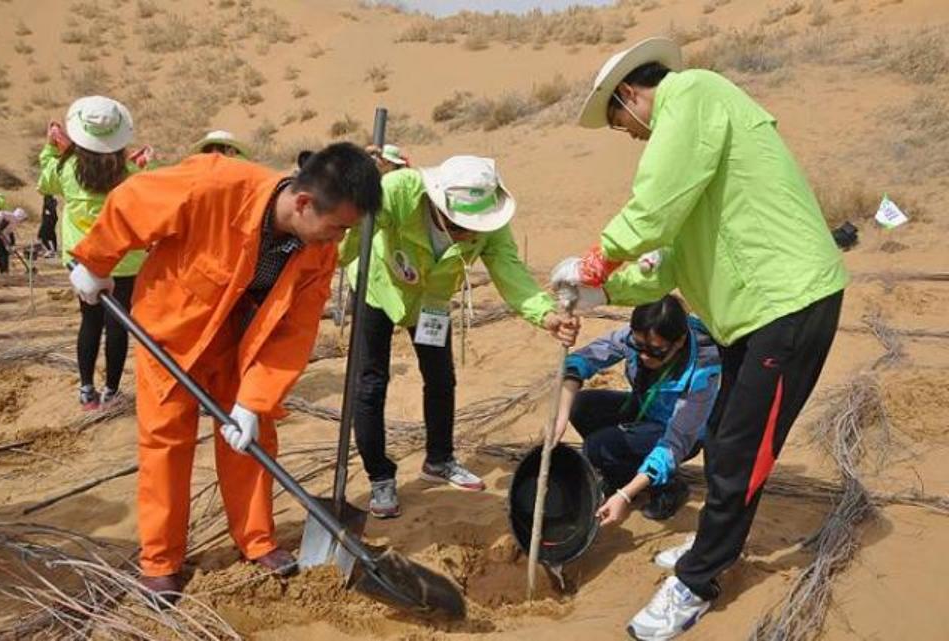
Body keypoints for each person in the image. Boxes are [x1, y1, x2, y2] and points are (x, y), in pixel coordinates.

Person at [550, 37, 848, 640]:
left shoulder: (693, 93)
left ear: (631, 95)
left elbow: (652, 207)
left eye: (621, 123)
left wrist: (595, 260)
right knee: (719, 434)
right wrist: (602, 292)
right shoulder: (694, 158)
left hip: (787, 303)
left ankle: (697, 581)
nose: (630, 135)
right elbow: (667, 263)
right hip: (747, 315)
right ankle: (716, 541)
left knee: (742, 448)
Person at [67, 142, 381, 600]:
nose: (337, 240)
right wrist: (95, 262)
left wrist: (255, 402)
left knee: (250, 438)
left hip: (240, 340)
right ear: (303, 202)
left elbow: (294, 334)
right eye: (336, 227)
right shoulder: (215, 184)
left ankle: (257, 540)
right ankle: (160, 561)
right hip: (171, 331)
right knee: (165, 442)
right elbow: (132, 203)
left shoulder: (318, 253)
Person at [341, 155, 579, 519]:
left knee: (440, 378)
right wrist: (361, 198)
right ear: (438, 205)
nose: (470, 234)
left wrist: (544, 314)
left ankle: (439, 459)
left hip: (432, 300)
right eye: (460, 225)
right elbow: (348, 236)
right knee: (370, 383)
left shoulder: (490, 223)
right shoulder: (398, 193)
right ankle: (380, 476)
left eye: (476, 227)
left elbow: (509, 269)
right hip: (379, 286)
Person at [552, 294, 720, 522]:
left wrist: (625, 495)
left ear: (679, 341)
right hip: (645, 406)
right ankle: (623, 472)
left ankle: (669, 488)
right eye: (639, 346)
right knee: (581, 406)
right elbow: (585, 359)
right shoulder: (641, 335)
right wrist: (561, 416)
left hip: (678, 433)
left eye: (656, 351)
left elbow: (675, 443)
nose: (644, 356)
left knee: (598, 446)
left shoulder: (702, 374)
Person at [38, 95, 147, 411]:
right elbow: (146, 195)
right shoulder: (129, 173)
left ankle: (87, 391)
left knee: (89, 321)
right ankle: (112, 391)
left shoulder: (67, 167)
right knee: (118, 325)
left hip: (83, 261)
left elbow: (46, 182)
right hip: (125, 260)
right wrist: (143, 165)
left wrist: (50, 147)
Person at [0, 207, 27, 275]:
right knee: (3, 254)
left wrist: (9, 246)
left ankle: (3, 272)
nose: (23, 221)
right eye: (23, 219)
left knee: (1, 253)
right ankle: (4, 272)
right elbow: (0, 213)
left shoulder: (14, 223)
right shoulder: (12, 217)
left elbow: (6, 234)